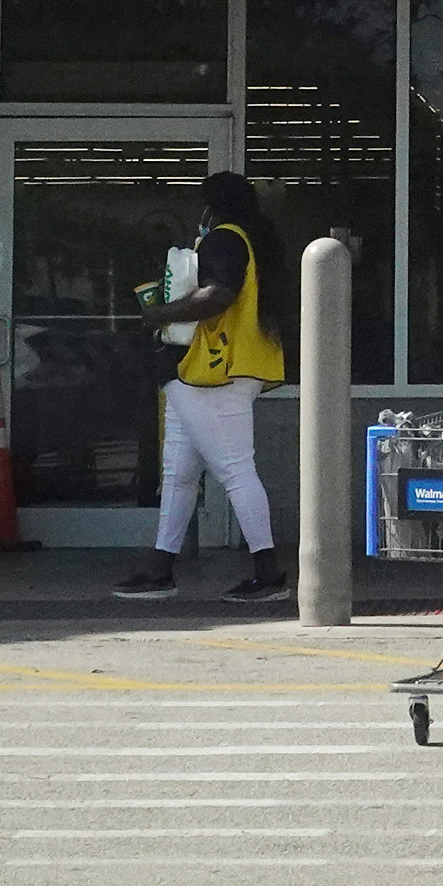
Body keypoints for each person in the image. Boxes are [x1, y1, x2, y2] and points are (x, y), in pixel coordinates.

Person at [113, 173, 291, 604]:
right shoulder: (255, 239)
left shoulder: (224, 239)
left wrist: (160, 314)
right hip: (224, 369)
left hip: (211, 371)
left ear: (212, 205)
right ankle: (161, 570)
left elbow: (216, 296)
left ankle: (269, 575)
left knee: (234, 469)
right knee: (178, 473)